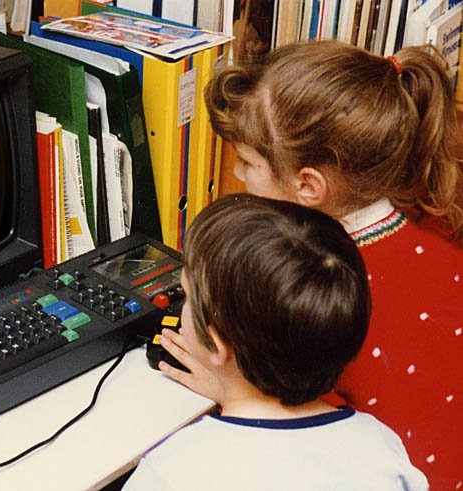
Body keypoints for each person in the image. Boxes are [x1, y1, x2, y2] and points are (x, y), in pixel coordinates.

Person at [159, 41, 463, 489]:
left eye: (247, 162)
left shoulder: (317, 290)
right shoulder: (434, 222)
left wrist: (231, 388)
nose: (239, 177)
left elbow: (310, 438)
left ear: (308, 185)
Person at [123, 194, 427, 490]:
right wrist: (231, 390)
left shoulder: (171, 472)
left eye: (187, 297)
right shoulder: (379, 445)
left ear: (216, 345)